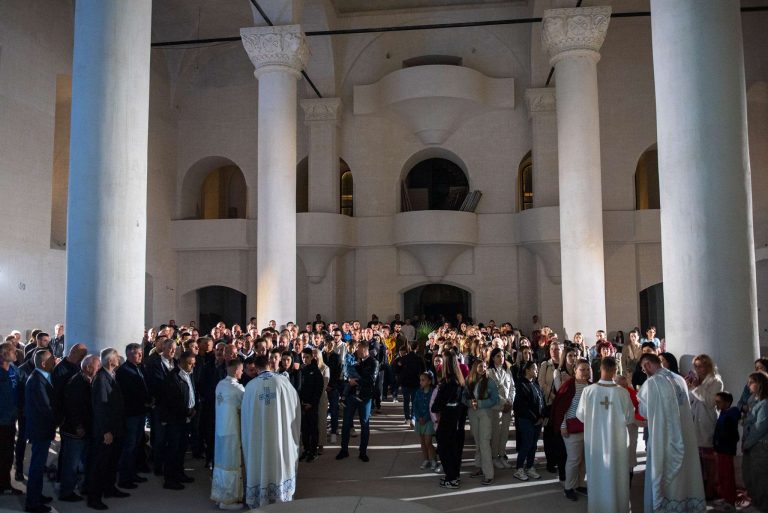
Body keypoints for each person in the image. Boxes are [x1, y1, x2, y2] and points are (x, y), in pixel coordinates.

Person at [637, 353, 705, 513]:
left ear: (647, 365)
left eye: (643, 367)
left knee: (665, 473)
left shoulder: (653, 382)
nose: (643, 371)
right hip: (685, 435)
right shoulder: (679, 379)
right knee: (686, 473)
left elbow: (645, 411)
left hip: (664, 438)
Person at [241, 355, 301, 508]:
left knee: (260, 460)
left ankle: (261, 496)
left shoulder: (251, 386)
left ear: (256, 367)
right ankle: (280, 495)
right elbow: (295, 407)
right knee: (279, 460)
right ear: (270, 364)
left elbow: (245, 416)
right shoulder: (283, 382)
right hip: (280, 435)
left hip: (258, 437)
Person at [576, 357, 633, 513]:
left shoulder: (588, 391)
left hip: (595, 445)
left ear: (600, 369)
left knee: (597, 476)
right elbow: (630, 418)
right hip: (617, 444)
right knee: (617, 477)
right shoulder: (622, 393)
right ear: (615, 370)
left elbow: (580, 415)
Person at [89, 348, 129, 510]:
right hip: (106, 431)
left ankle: (109, 488)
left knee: (112, 462)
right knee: (100, 464)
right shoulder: (100, 379)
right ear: (108, 360)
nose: (119, 358)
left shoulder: (111, 375)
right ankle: (94, 497)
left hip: (116, 428)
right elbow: (100, 407)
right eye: (116, 357)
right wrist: (106, 431)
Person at [58, 354, 99, 502]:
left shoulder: (88, 380)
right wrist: (78, 426)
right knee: (71, 463)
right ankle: (66, 492)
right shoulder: (76, 383)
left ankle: (82, 486)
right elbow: (72, 408)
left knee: (82, 461)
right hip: (74, 431)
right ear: (88, 367)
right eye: (97, 366)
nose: (99, 368)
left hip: (85, 428)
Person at [551, 358, 591, 501]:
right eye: (582, 369)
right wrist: (563, 426)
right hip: (571, 428)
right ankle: (568, 487)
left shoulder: (591, 386)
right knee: (574, 459)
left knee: (584, 460)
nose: (585, 372)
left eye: (587, 369)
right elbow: (561, 409)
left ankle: (580, 484)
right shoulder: (568, 386)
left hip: (588, 429)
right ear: (575, 370)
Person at [686, 354, 724, 499]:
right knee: (697, 460)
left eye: (701, 365)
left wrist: (696, 388)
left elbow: (710, 402)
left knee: (709, 459)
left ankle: (710, 489)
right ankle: (699, 488)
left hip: (707, 421)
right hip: (694, 421)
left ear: (708, 366)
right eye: (696, 366)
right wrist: (688, 388)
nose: (698, 369)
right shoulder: (696, 380)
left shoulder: (716, 381)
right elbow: (691, 399)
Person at [158, 349, 197, 490]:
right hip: (175, 420)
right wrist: (187, 411)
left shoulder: (189, 374)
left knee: (181, 449)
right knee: (172, 450)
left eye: (194, 364)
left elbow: (191, 393)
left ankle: (179, 473)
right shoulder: (173, 377)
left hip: (187, 418)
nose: (192, 366)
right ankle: (169, 479)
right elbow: (172, 401)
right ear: (181, 362)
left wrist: (193, 408)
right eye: (190, 364)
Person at [25, 348, 57, 513]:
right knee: (37, 467)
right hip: (39, 430)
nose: (55, 361)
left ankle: (36, 495)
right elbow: (45, 407)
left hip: (42, 429)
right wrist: (58, 421)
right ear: (44, 363)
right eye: (52, 360)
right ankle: (32, 502)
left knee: (39, 465)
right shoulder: (37, 380)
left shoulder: (42, 376)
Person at [211, 358, 245, 510]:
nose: (242, 372)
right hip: (232, 431)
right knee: (231, 464)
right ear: (236, 370)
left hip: (220, 431)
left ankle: (220, 496)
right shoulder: (238, 389)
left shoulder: (220, 385)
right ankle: (228, 500)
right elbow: (245, 408)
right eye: (241, 369)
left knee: (221, 462)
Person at [115, 343, 150, 489]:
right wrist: (144, 401)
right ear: (129, 355)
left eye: (141, 353)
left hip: (140, 412)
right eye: (137, 353)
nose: (141, 356)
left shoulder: (140, 367)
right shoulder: (124, 371)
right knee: (128, 446)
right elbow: (128, 394)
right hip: (131, 414)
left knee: (136, 445)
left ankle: (133, 473)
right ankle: (124, 478)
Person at [337, 342, 378, 462]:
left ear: (365, 350)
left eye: (359, 350)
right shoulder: (356, 360)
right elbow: (346, 373)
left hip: (365, 398)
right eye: (357, 350)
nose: (357, 352)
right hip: (351, 396)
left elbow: (371, 380)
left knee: (364, 424)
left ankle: (363, 451)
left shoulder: (373, 362)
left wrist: (357, 382)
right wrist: (348, 379)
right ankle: (344, 450)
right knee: (346, 423)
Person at [431, 350, 467, 489]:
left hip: (447, 420)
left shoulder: (447, 382)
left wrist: (436, 407)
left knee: (445, 449)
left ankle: (451, 478)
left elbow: (436, 405)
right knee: (455, 450)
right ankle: (454, 476)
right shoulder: (460, 380)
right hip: (457, 419)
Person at [464, 359, 499, 485]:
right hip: (473, 413)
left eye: (484, 366)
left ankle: (489, 474)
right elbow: (464, 397)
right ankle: (479, 467)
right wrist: (470, 403)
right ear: (475, 367)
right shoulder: (469, 380)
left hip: (485, 413)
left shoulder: (490, 382)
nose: (483, 368)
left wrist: (480, 403)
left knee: (484, 442)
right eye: (480, 366)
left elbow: (495, 399)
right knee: (478, 442)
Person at [512, 361, 545, 482]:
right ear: (527, 370)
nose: (536, 371)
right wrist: (535, 418)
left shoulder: (535, 384)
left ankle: (530, 466)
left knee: (533, 444)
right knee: (527, 443)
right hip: (527, 420)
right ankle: (519, 468)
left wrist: (542, 415)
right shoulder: (521, 384)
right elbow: (521, 406)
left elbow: (541, 400)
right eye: (535, 369)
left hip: (537, 420)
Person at [742, 371, 768, 512]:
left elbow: (760, 427)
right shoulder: (754, 401)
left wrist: (747, 443)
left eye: (751, 382)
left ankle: (763, 505)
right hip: (752, 446)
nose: (748, 385)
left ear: (760, 384)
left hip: (760, 446)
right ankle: (757, 502)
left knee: (761, 477)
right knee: (750, 475)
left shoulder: (764, 404)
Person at [488, 347, 515, 468]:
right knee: (496, 433)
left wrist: (510, 401)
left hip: (508, 407)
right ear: (493, 357)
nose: (501, 358)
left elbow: (512, 388)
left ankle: (502, 454)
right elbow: (491, 391)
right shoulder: (489, 372)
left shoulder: (507, 371)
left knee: (504, 433)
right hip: (496, 407)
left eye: (503, 356)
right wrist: (504, 402)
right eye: (498, 356)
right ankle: (494, 457)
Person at [712, 391, 739, 511]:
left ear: (727, 402)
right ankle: (725, 497)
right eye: (716, 401)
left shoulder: (730, 416)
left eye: (719, 402)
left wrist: (720, 444)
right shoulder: (723, 413)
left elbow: (729, 435)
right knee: (722, 475)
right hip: (721, 450)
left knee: (728, 476)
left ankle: (730, 501)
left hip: (726, 451)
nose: (716, 404)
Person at [0, 341, 21, 496]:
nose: (16, 353)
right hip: (1, 420)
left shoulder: (14, 369)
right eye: (13, 351)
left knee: (8, 453)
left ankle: (5, 484)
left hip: (11, 419)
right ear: (3, 354)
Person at [298, 348, 323, 462]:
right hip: (302, 404)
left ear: (312, 357)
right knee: (304, 429)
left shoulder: (315, 371)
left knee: (313, 428)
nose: (304, 359)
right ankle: (306, 449)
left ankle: (313, 451)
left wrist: (312, 403)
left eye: (307, 357)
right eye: (303, 357)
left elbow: (318, 390)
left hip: (312, 405)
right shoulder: (301, 370)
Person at [413, 372, 436, 470]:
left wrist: (425, 418)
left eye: (423, 380)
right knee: (422, 442)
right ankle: (426, 459)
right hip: (420, 420)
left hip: (429, 420)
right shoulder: (418, 392)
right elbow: (415, 405)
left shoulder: (432, 392)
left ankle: (433, 459)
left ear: (429, 381)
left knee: (428, 442)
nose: (421, 382)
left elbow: (432, 407)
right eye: (420, 380)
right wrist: (418, 417)